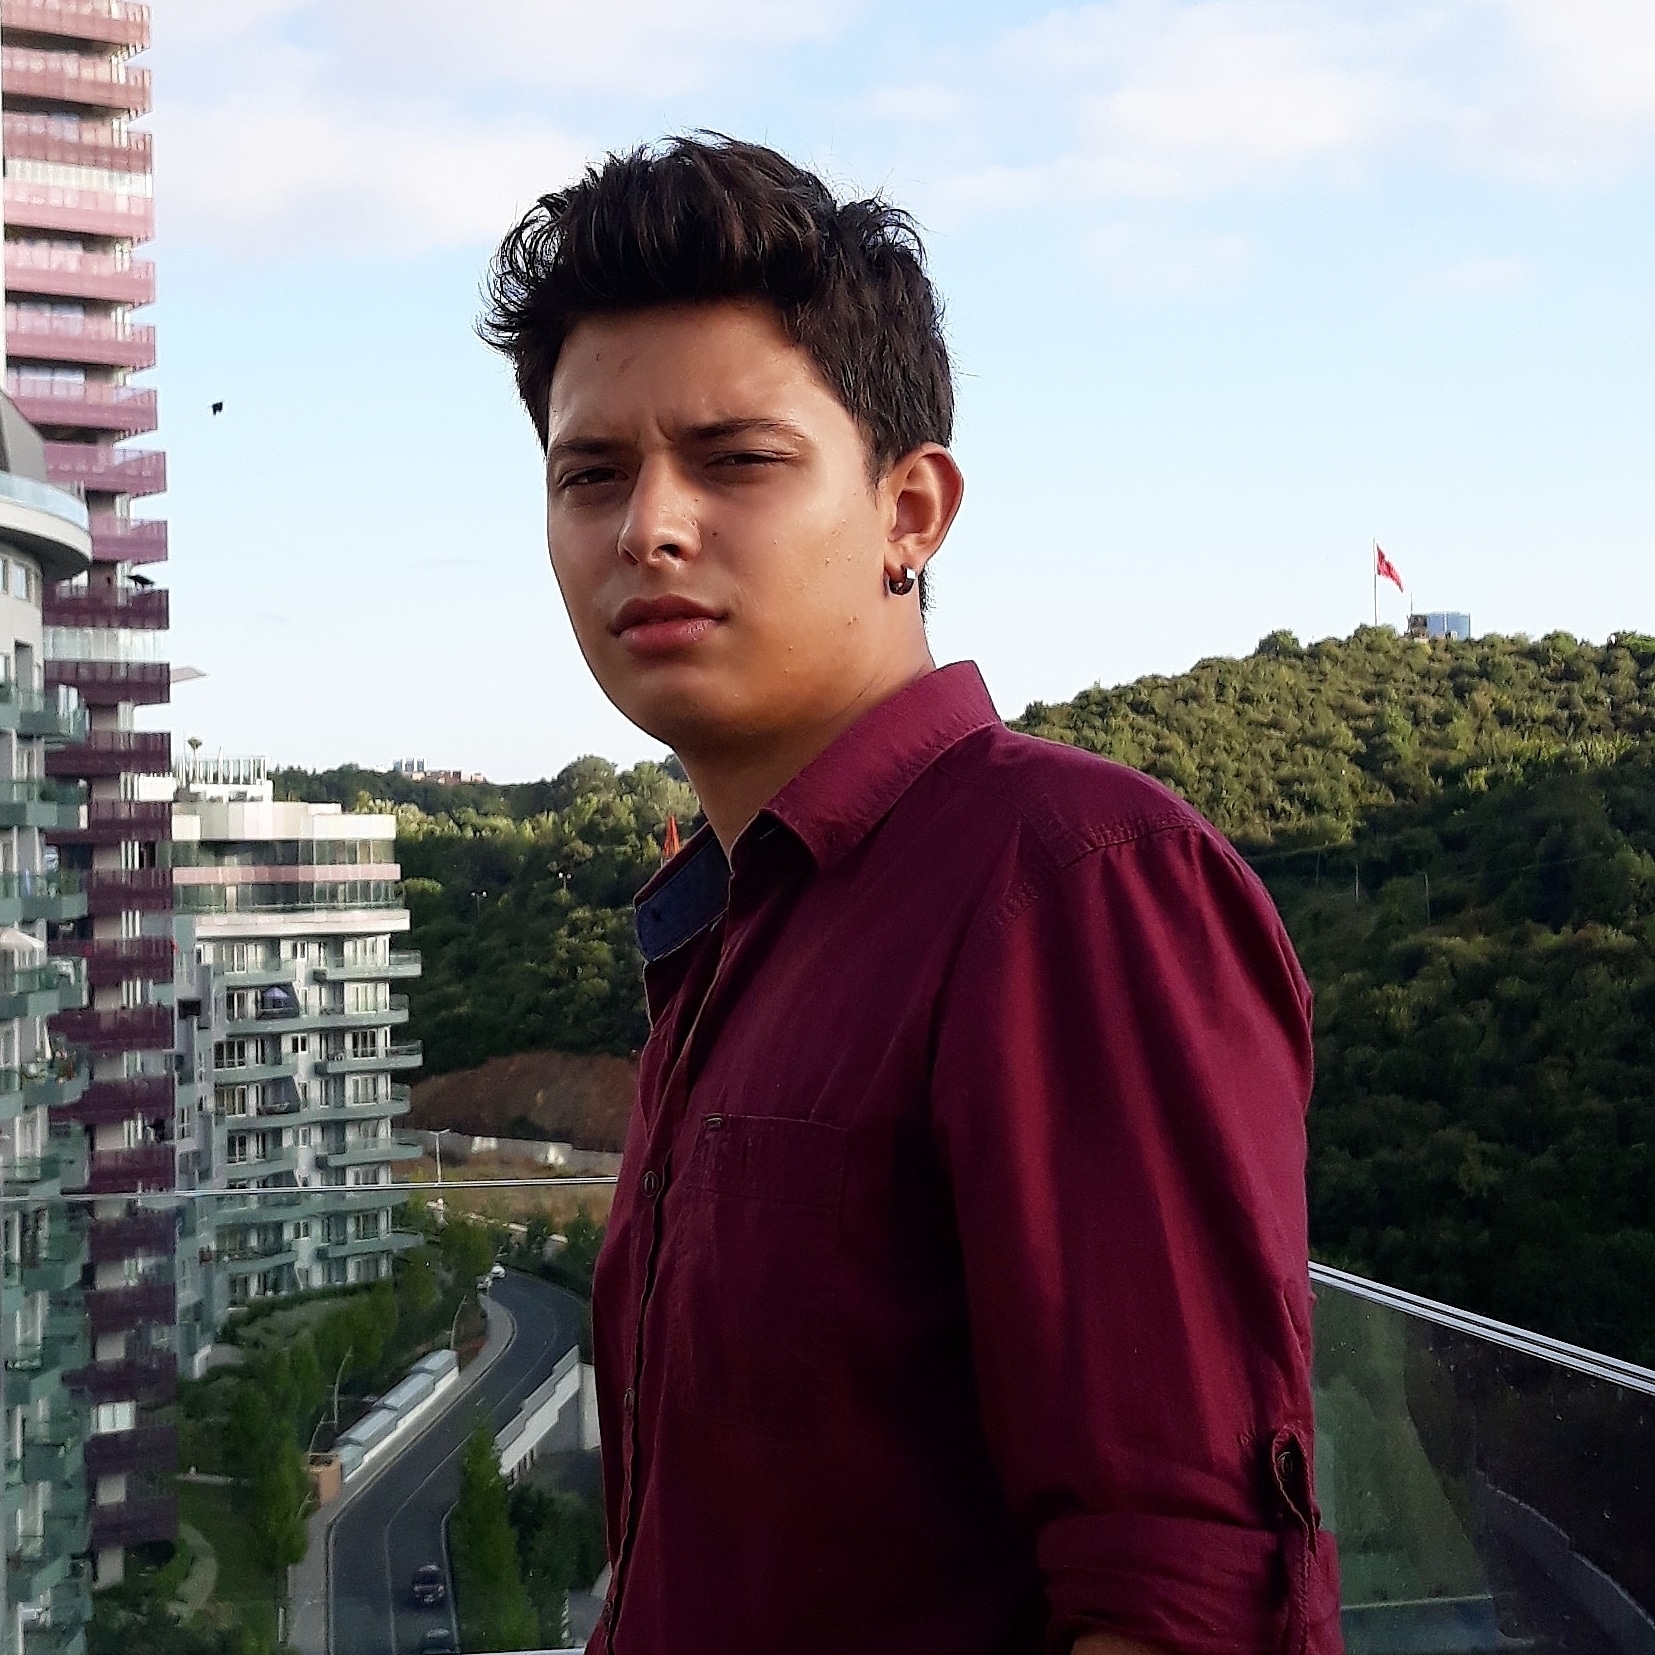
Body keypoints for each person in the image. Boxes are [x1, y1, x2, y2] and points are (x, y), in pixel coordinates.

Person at [482, 135, 1341, 1655]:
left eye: (736, 459)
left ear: (912, 511)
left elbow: (1180, 1592)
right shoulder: (734, 930)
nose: (647, 527)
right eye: (592, 473)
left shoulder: (1070, 885)